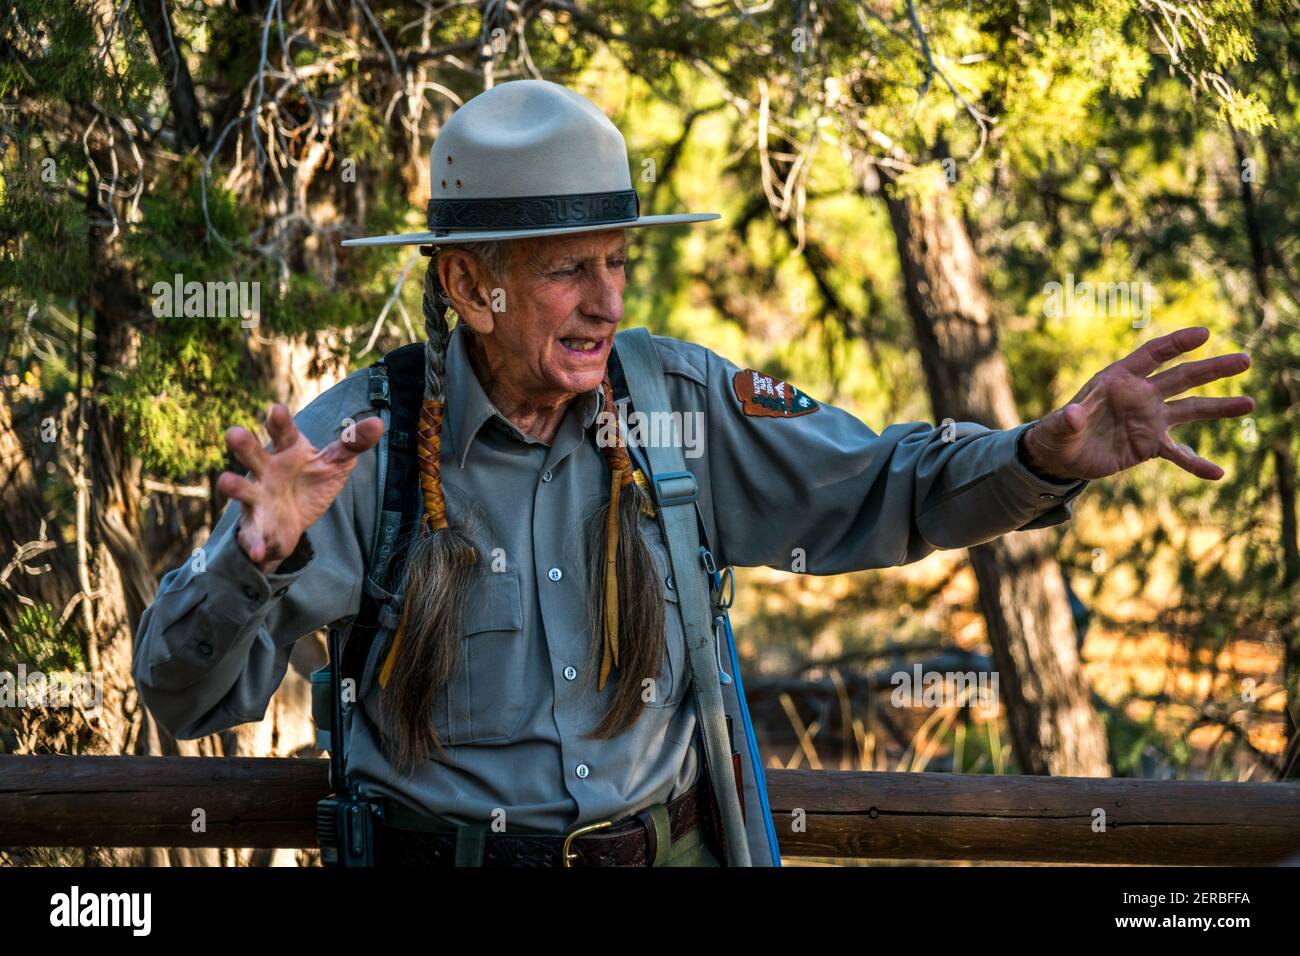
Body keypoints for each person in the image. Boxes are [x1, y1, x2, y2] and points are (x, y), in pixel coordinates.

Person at [132, 79, 1255, 867]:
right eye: (570, 270)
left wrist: (1036, 455)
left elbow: (882, 486)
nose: (610, 301)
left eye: (619, 262)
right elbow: (181, 697)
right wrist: (252, 559)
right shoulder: (351, 452)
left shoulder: (678, 406)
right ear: (473, 285)